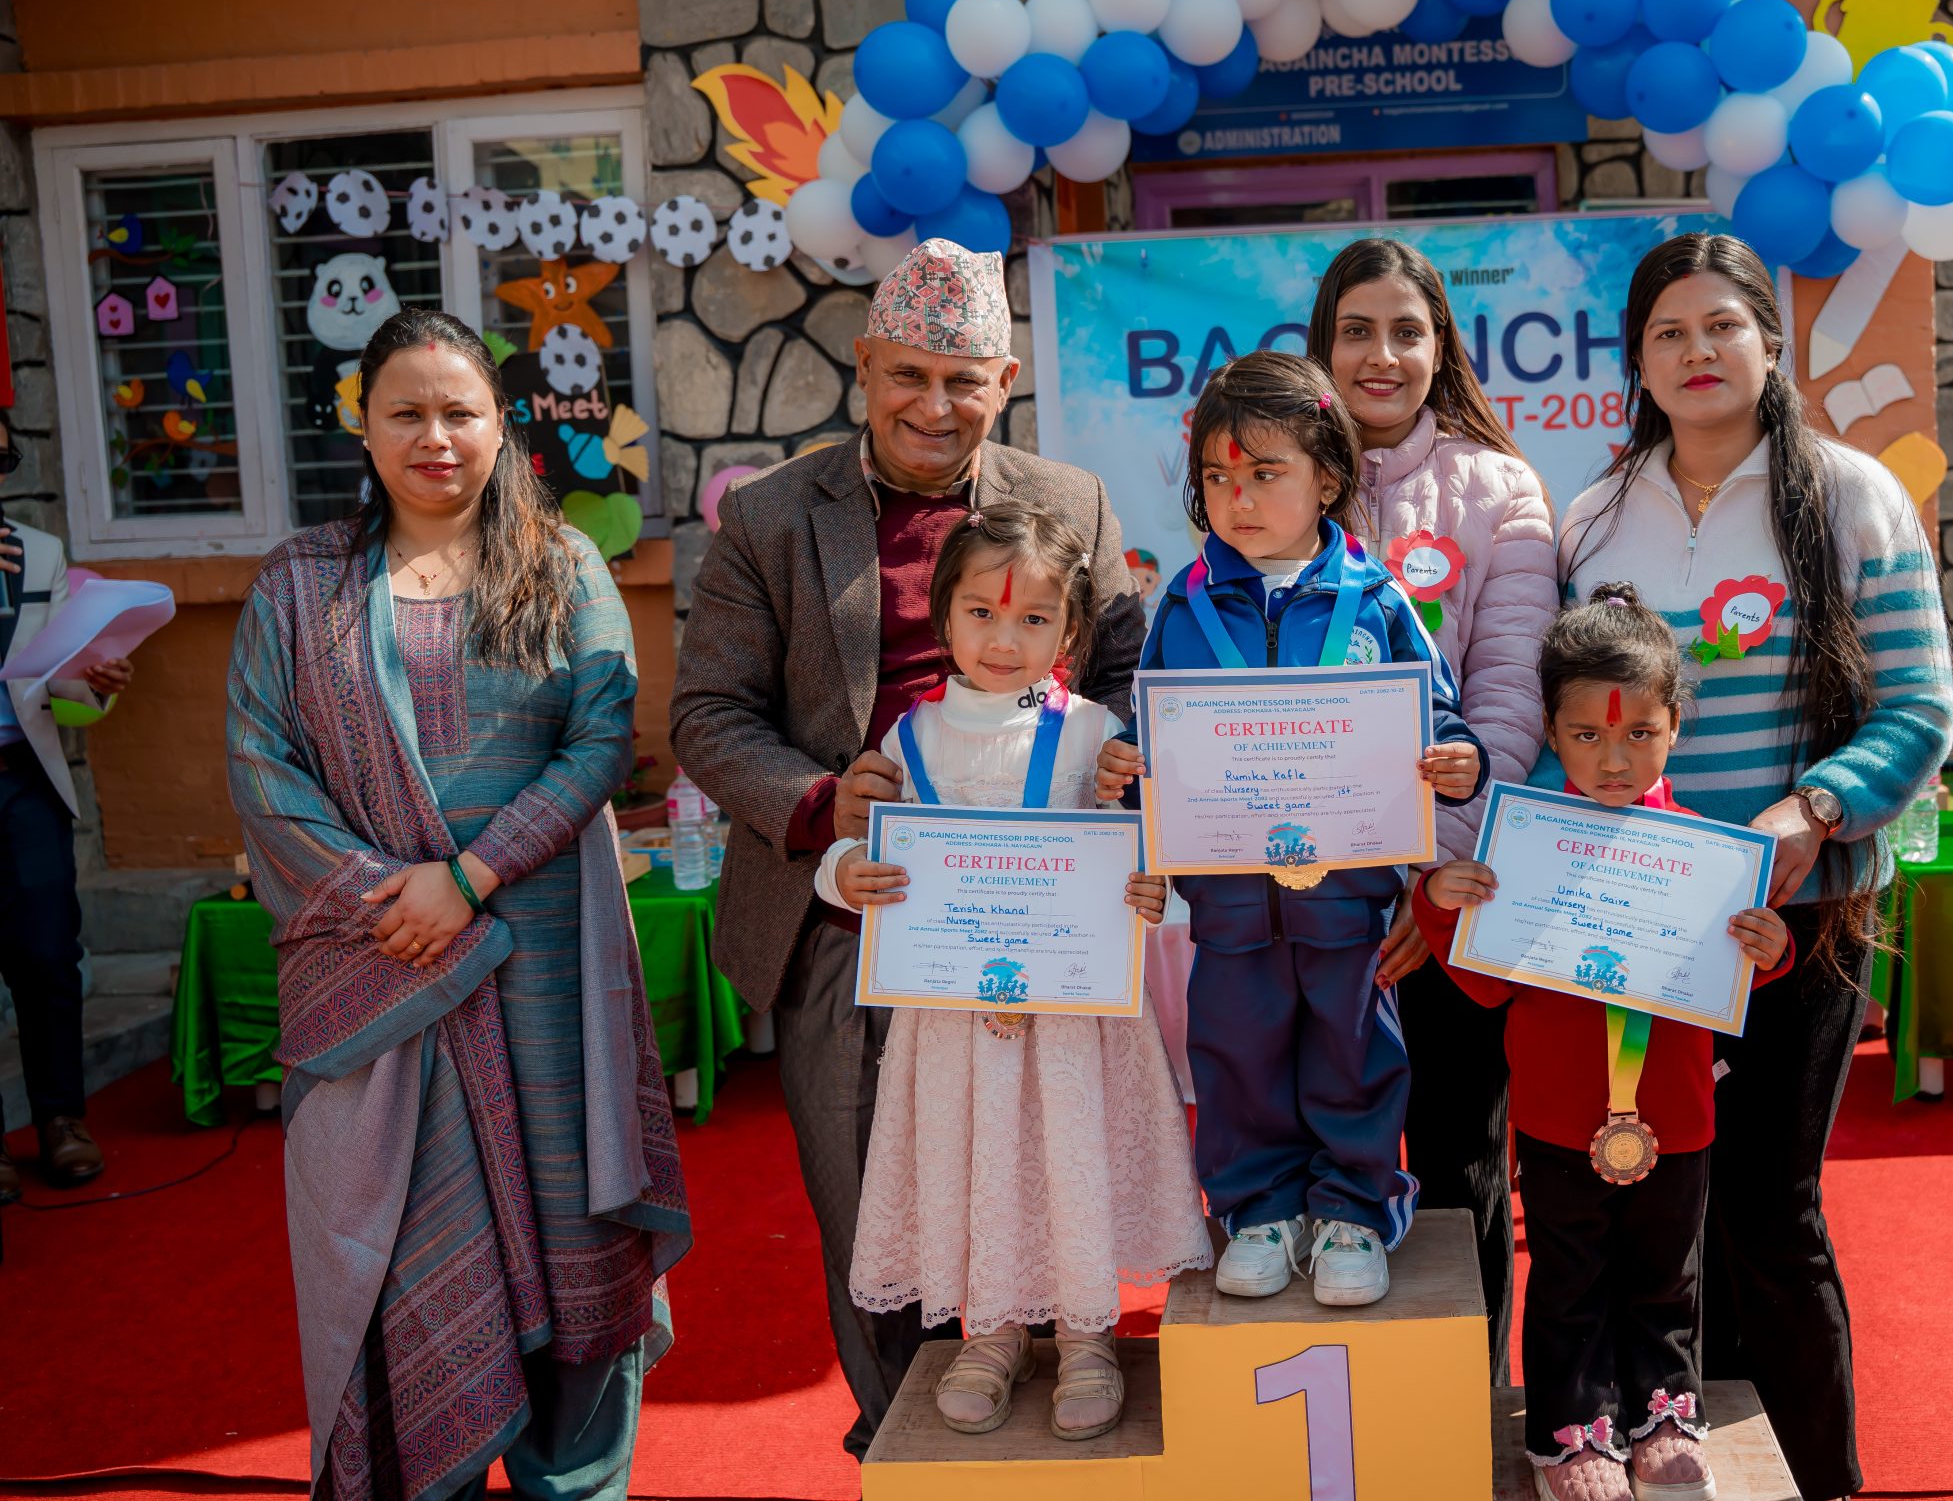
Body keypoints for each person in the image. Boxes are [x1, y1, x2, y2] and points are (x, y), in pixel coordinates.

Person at [670, 238, 1146, 1456]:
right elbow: (708, 714)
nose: (934, 406)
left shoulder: (1071, 503)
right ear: (864, 363)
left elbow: (1130, 678)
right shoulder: (773, 515)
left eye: (963, 381)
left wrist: (1122, 766)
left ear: (1005, 381)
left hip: (1046, 922)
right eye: (909, 376)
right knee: (876, 1205)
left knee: (1047, 1167)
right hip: (856, 908)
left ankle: (1064, 1373)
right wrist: (822, 801)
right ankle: (905, 1447)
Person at [227, 309, 690, 1500]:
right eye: (406, 413)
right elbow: (262, 767)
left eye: (459, 412)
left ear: (500, 426)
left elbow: (601, 743)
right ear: (363, 428)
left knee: (574, 1232)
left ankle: (574, 1482)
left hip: (545, 967)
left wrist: (469, 880)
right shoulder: (300, 585)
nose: (434, 437)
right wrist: (391, 903)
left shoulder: (564, 565)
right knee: (398, 1246)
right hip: (380, 968)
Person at [1557, 232, 1953, 1501]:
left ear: (1769, 345)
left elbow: (1921, 708)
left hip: (1805, 912)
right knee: (1653, 1208)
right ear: (1636, 361)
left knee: (1770, 1213)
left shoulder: (1849, 495)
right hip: (1640, 924)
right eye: (1668, 333)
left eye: (1722, 326)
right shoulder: (1592, 516)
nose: (1698, 352)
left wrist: (1813, 810)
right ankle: (1692, 1459)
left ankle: (1818, 1480)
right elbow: (1565, 722)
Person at [1094, 351, 1484, 1309]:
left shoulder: (1378, 599)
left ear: (1329, 477)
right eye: (1218, 477)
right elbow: (1153, 737)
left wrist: (1459, 758)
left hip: (1349, 904)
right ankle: (1260, 1209)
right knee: (1238, 1055)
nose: (1239, 498)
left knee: (1356, 1052)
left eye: (1265, 472)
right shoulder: (1181, 606)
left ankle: (1354, 1208)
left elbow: (1438, 715)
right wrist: (1125, 768)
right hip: (1228, 907)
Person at [815, 504, 1212, 1439]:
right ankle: (991, 1334)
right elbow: (863, 854)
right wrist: (846, 873)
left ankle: (1085, 1336)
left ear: (1070, 630)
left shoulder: (1095, 733)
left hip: (1075, 1024)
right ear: (942, 615)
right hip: (953, 1026)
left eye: (1034, 618)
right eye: (983, 613)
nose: (1005, 639)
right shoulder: (907, 738)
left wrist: (1156, 889)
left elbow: (1147, 854)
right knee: (978, 1161)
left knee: (1067, 1160)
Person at [1413, 585, 1791, 1501]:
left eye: (1640, 733)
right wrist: (1440, 902)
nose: (1614, 759)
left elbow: (1734, 978)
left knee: (1668, 1273)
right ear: (1550, 729)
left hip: (1676, 1115)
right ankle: (1572, 1429)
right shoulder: (1524, 849)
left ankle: (1664, 1413)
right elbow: (1483, 982)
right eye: (1586, 734)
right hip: (1556, 1115)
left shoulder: (1710, 855)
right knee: (1570, 1273)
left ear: (1676, 726)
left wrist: (1770, 948)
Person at [1310, 236, 1557, 1364]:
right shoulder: (1273, 473)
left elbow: (1508, 704)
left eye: (1406, 331)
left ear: (1441, 347)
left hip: (1449, 903)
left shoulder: (1500, 489)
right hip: (1305, 901)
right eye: (1356, 330)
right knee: (1319, 1162)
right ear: (1322, 347)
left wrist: (1425, 882)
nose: (1382, 355)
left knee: (1460, 1159)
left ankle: (1473, 1406)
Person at [0, 413, 133, 1198]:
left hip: (23, 777)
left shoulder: (38, 553)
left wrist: (95, 682)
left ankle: (60, 1119)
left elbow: (56, 684)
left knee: (49, 952)